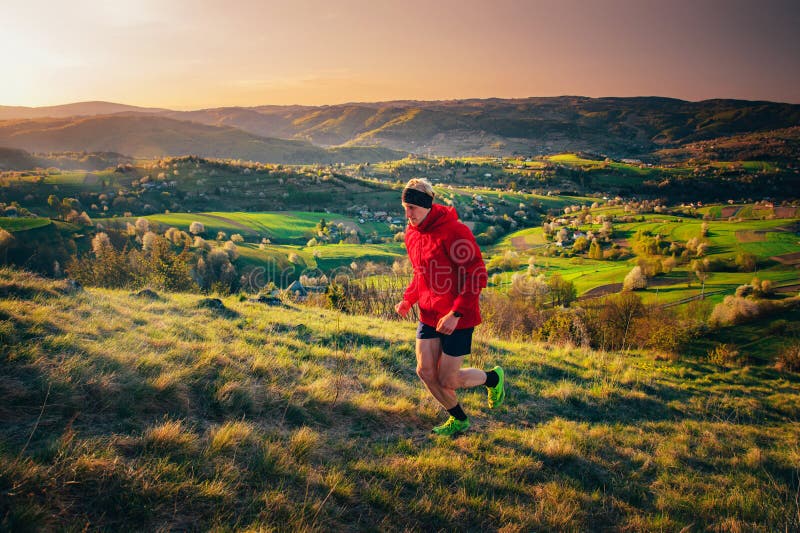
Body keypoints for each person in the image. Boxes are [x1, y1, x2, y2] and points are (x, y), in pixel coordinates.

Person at [395, 178, 505, 436]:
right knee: (424, 371)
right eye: (405, 207)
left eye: (412, 207)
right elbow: (420, 273)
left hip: (459, 317)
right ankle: (459, 419)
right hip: (429, 314)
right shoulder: (412, 233)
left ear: (427, 206)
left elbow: (476, 274)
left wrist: (456, 313)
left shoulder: (454, 232)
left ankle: (493, 378)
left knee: (448, 379)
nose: (408, 214)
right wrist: (409, 299)